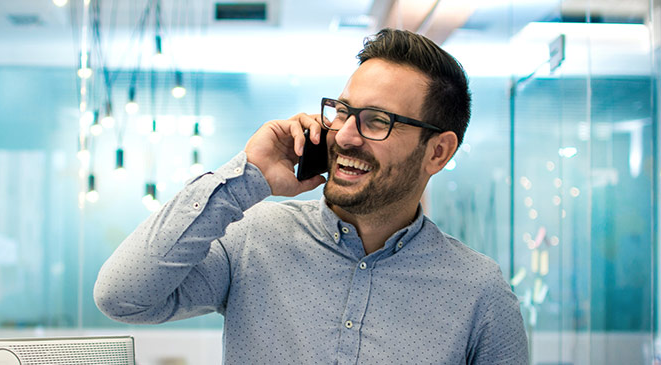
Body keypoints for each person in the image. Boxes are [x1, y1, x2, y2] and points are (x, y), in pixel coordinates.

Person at [94, 28, 529, 364]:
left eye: (376, 121)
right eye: (342, 112)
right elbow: (123, 296)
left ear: (438, 152)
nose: (346, 135)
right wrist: (248, 176)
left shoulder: (478, 292)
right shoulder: (253, 237)